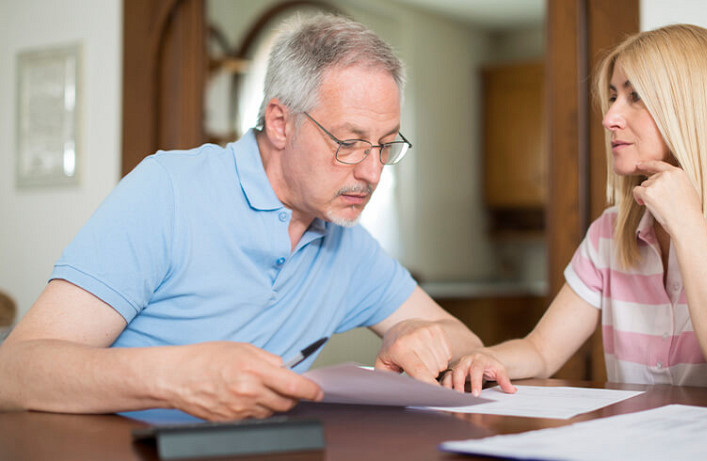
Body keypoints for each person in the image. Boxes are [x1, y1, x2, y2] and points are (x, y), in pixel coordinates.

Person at [0, 13, 481, 421]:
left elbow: (464, 339)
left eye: (384, 145)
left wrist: (407, 331)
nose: (373, 171)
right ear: (279, 123)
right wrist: (177, 376)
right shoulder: (169, 190)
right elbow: (14, 371)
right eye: (349, 143)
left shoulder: (344, 239)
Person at [443, 24, 707, 399]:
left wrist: (687, 225)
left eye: (636, 96)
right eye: (614, 96)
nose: (609, 117)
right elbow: (541, 350)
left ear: (693, 110)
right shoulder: (609, 231)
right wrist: (483, 358)